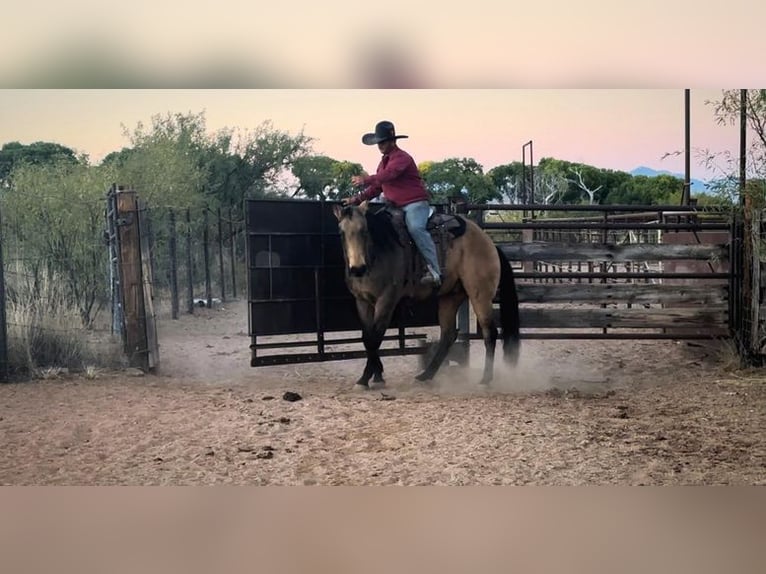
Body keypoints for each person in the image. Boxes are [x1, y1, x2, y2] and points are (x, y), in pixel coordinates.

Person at [343, 120, 442, 287]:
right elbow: (378, 187)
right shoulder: (384, 163)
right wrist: (356, 199)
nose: (379, 146)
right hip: (393, 206)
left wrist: (365, 179)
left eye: (382, 142)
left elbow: (389, 175)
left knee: (416, 228)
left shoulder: (402, 158)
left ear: (392, 141)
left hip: (414, 204)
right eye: (378, 143)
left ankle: (434, 270)